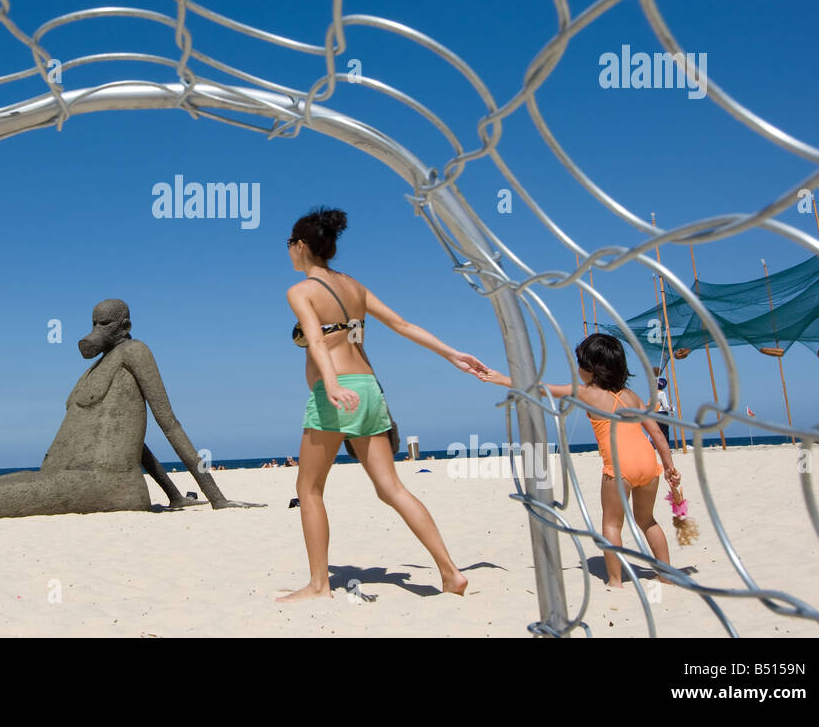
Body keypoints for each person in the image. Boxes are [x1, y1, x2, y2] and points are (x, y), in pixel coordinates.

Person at [278, 207, 487, 602]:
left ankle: (319, 586)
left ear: (302, 246)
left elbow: (318, 342)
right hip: (370, 388)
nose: (288, 251)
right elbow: (402, 325)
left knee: (308, 489)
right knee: (391, 487)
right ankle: (450, 572)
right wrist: (451, 353)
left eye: (290, 244)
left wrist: (333, 384)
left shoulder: (300, 291)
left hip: (336, 393)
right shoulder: (354, 286)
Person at [480, 333, 680, 588]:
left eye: (580, 363)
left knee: (611, 524)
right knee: (647, 520)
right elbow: (657, 434)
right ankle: (666, 574)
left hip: (619, 469)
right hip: (650, 466)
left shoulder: (586, 393)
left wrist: (502, 379)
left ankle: (616, 581)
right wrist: (670, 468)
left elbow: (540, 389)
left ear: (591, 369)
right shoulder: (631, 396)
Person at [654, 376, 673, 444]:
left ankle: (657, 446)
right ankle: (666, 448)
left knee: (658, 432)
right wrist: (671, 408)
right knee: (665, 432)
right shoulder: (662, 393)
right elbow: (665, 407)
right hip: (662, 413)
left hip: (655, 413)